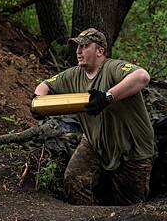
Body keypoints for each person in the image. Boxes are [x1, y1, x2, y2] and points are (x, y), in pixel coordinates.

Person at [33, 28, 156, 205]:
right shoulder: (73, 74)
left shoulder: (113, 67)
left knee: (129, 207)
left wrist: (107, 97)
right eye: (77, 47)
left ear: (100, 51)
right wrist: (38, 103)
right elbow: (44, 86)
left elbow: (142, 76)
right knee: (74, 180)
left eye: (84, 46)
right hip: (95, 142)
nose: (78, 51)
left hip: (132, 148)